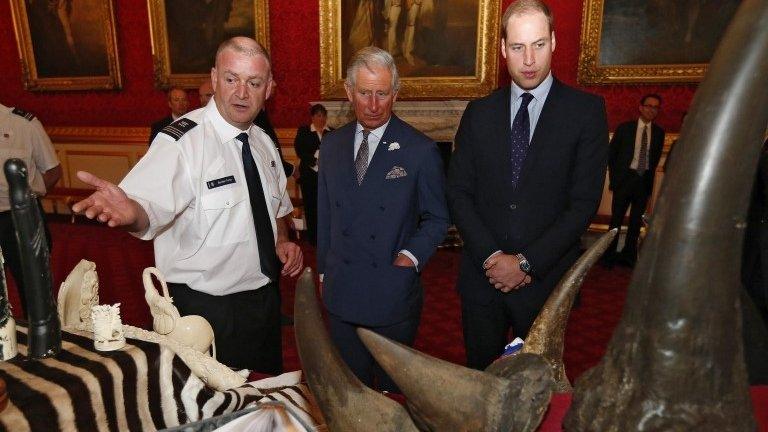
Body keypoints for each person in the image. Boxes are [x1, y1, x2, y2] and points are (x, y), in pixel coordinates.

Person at [72, 37, 303, 374]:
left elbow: (276, 207)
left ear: (269, 88)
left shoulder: (263, 142)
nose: (242, 92)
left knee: (258, 397)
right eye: (230, 79)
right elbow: (146, 208)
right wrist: (131, 213)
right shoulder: (182, 142)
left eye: (253, 83)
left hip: (263, 303)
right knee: (207, 412)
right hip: (203, 310)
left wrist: (282, 240)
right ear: (213, 79)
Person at [447, 0, 608, 371]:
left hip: (546, 285)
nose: (529, 59)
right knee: (479, 391)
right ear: (503, 50)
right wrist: (492, 258)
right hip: (481, 283)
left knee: (539, 396)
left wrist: (525, 263)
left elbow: (582, 204)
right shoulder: (479, 113)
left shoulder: (585, 112)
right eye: (518, 47)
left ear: (553, 42)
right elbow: (459, 193)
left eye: (538, 44)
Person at [317, 46, 449, 390]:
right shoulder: (331, 146)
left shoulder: (419, 149)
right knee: (349, 390)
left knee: (391, 393)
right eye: (364, 93)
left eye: (382, 93)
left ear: (395, 93)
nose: (373, 104)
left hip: (391, 292)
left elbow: (437, 218)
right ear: (349, 92)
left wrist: (409, 258)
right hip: (341, 290)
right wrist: (322, 269)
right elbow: (326, 213)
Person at [0, 103, 62, 317]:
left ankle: (40, 344)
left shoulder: (24, 124)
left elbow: (53, 171)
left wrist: (28, 197)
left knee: (34, 291)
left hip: (19, 220)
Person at [604, 94, 665, 267]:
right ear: (641, 107)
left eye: (655, 107)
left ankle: (629, 256)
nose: (651, 110)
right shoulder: (625, 128)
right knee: (616, 221)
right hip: (624, 180)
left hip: (643, 182)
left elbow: (654, 159)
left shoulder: (659, 133)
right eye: (649, 106)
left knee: (636, 222)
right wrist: (616, 178)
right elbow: (612, 154)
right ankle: (609, 256)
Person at [294, 104, 332, 245]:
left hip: (327, 177)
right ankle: (313, 238)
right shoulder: (304, 131)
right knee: (311, 206)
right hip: (309, 176)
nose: (321, 118)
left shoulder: (331, 132)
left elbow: (337, 152)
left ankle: (327, 236)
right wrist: (315, 161)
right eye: (318, 115)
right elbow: (300, 150)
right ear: (312, 117)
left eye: (323, 115)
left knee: (326, 207)